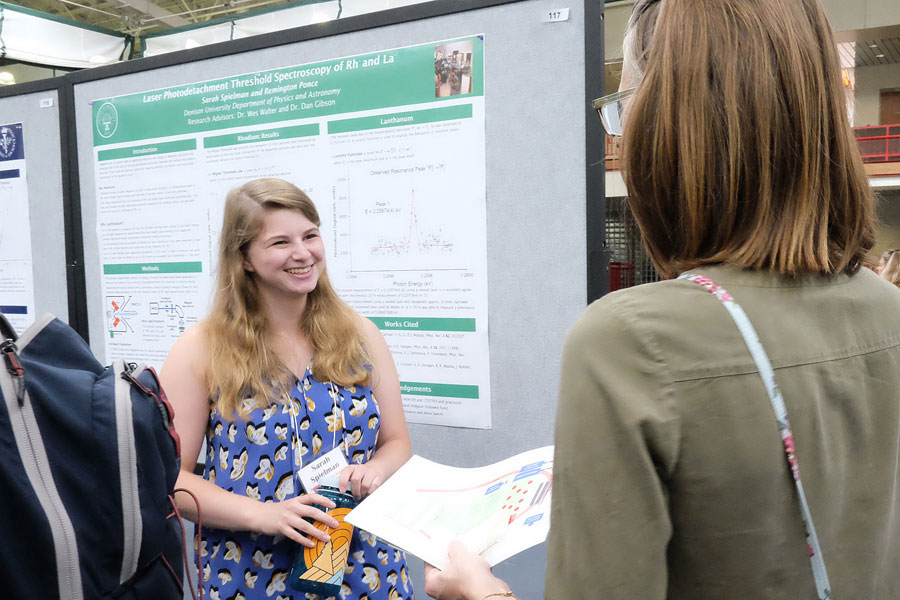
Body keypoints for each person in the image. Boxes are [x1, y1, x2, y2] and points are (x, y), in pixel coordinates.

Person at [424, 0, 900, 598]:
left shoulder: (630, 343)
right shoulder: (887, 310)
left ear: (673, 128)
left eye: (622, 109)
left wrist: (479, 592)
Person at [161, 178, 414, 600]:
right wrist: (265, 516)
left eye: (310, 235)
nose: (302, 253)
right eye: (280, 242)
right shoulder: (202, 348)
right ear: (244, 258)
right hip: (251, 574)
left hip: (365, 567)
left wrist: (376, 471)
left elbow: (397, 442)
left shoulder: (360, 335)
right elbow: (172, 480)